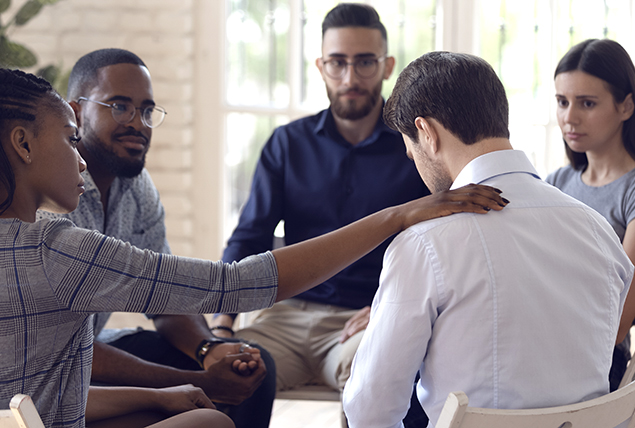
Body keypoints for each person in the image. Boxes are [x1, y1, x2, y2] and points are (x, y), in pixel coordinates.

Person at [0, 68, 508, 428]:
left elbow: (35, 397)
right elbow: (234, 282)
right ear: (23, 145)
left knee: (203, 404)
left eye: (147, 109)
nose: (81, 161)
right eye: (70, 140)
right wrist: (400, 214)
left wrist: (176, 382)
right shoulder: (56, 250)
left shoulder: (62, 234)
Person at [342, 51, 634, 428]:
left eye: (410, 147)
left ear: (426, 133)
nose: (413, 160)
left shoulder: (425, 243)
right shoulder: (597, 231)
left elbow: (370, 409)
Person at [34, 47, 277, 428]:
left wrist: (208, 349)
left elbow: (163, 298)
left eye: (146, 110)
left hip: (97, 347)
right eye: (119, 106)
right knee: (201, 399)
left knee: (249, 369)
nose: (138, 122)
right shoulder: (46, 195)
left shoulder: (137, 187)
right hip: (50, 374)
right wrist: (196, 380)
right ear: (76, 112)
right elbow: (59, 349)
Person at [214, 4, 429, 423]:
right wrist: (222, 325)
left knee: (385, 378)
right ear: (321, 66)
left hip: (367, 318)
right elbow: (249, 237)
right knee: (228, 373)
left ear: (386, 66)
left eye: (365, 62)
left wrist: (393, 307)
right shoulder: (287, 144)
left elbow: (443, 237)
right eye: (338, 63)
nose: (350, 78)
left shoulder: (417, 147)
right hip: (286, 317)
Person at [545, 38, 635, 391]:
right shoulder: (556, 182)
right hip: (539, 342)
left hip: (595, 359)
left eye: (587, 103)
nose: (570, 117)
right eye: (562, 102)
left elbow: (620, 316)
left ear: (626, 106)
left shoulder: (630, 191)